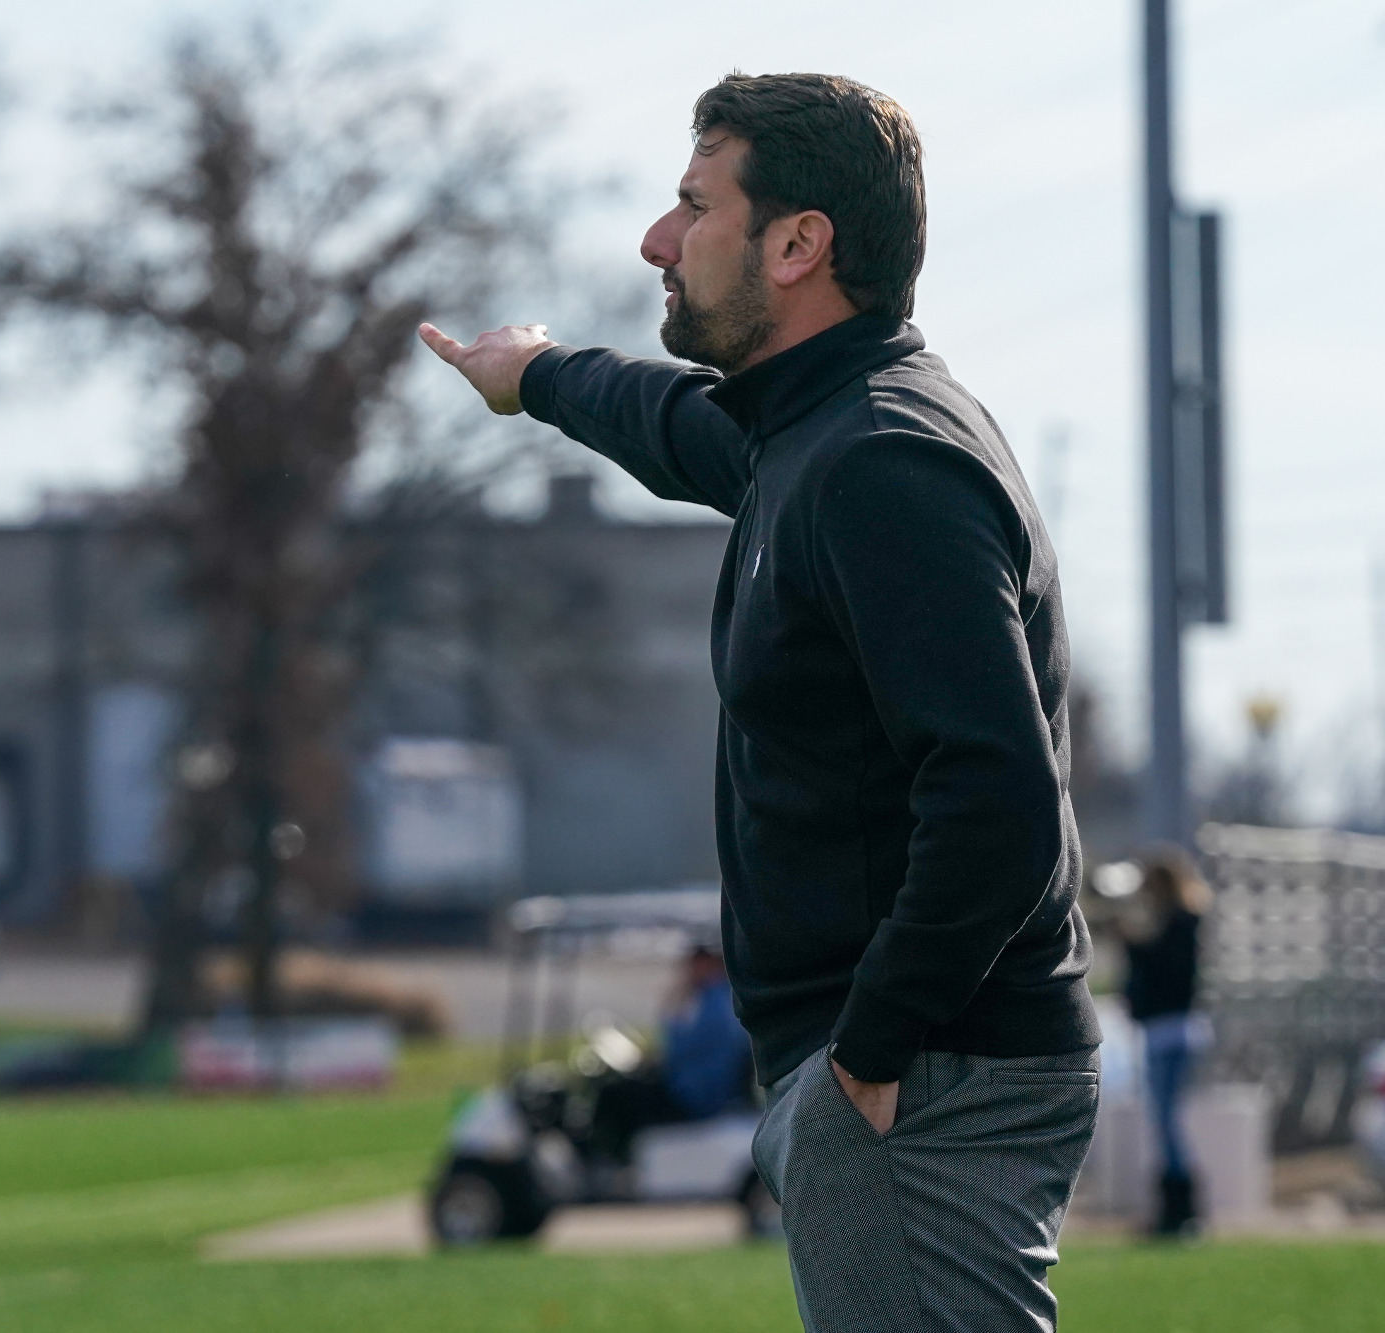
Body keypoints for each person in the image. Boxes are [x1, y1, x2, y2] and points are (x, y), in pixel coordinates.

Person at [423, 72, 1097, 1332]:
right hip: (900, 1069)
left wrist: (870, 1045)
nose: (655, 241)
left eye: (692, 206)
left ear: (797, 244)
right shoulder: (817, 434)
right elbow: (684, 425)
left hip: (917, 1074)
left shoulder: (884, 460)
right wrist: (540, 375)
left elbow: (999, 798)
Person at [587, 945, 753, 1165]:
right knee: (630, 1091)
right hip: (704, 1088)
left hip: (696, 1095)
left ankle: (610, 1161)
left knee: (612, 1095)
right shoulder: (723, 997)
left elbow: (679, 1047)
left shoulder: (716, 1003)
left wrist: (674, 999)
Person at [1121, 849, 1212, 1237]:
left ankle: (1181, 1208)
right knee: (1165, 1121)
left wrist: (1133, 946)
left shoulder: (1182, 924)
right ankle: (1175, 1208)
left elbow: (1165, 972)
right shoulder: (1179, 923)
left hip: (1171, 1031)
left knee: (1167, 1122)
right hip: (1169, 1030)